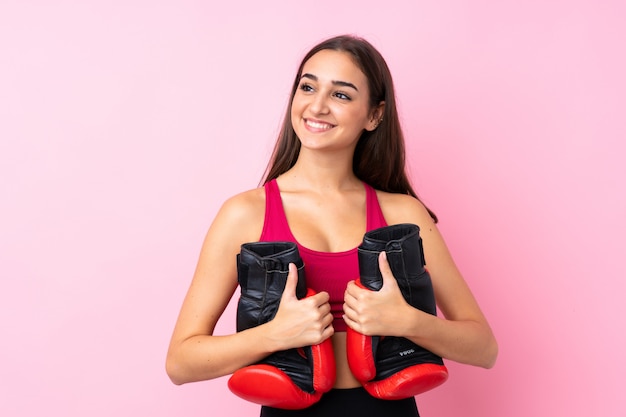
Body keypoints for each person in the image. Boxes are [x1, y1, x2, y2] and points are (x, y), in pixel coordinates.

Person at [166, 34, 498, 417]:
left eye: (341, 95)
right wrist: (274, 334)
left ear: (374, 115)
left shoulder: (404, 215)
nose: (317, 106)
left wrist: (407, 321)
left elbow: (483, 348)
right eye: (308, 87)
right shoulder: (245, 214)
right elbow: (181, 363)